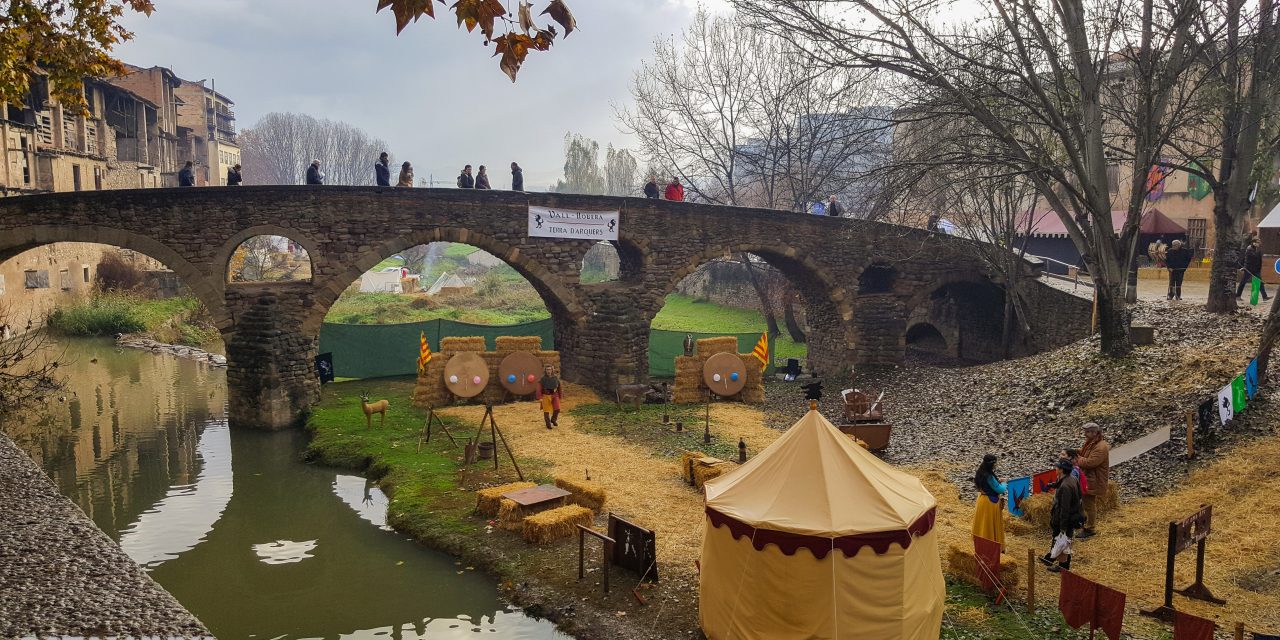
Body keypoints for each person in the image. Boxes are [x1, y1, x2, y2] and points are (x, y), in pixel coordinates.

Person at [1041, 458, 1084, 573]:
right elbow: (1080, 495)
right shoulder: (1073, 479)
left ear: (1061, 470)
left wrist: (1063, 526)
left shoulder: (1065, 486)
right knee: (1065, 540)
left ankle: (1062, 566)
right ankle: (1052, 559)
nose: (1055, 469)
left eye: (1057, 467)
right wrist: (1053, 485)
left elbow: (1065, 509)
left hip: (1064, 518)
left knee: (1062, 540)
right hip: (1071, 516)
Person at [1075, 422, 1110, 539]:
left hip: (1094, 480)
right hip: (1090, 478)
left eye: (1087, 432)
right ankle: (1086, 524)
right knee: (1086, 503)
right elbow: (1087, 453)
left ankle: (1090, 529)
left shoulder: (1101, 447)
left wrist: (1077, 458)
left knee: (1089, 505)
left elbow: (1090, 463)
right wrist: (1076, 451)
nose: (1085, 434)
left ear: (1094, 433)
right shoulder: (1093, 443)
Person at [971, 453, 1007, 547]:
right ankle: (990, 546)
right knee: (988, 526)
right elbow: (1000, 489)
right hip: (990, 503)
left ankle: (981, 544)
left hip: (982, 500)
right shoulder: (988, 476)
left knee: (982, 525)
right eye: (995, 464)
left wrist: (997, 482)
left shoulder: (980, 472)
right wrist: (1004, 483)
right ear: (991, 464)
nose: (995, 466)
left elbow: (988, 484)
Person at [536, 364, 562, 429]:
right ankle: (548, 425)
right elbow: (539, 388)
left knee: (557, 409)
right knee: (546, 411)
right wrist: (539, 397)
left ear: (552, 370)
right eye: (547, 369)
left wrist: (560, 396)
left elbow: (559, 387)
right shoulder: (542, 379)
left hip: (554, 395)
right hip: (546, 396)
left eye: (550, 369)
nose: (548, 371)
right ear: (545, 370)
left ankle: (553, 420)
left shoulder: (555, 378)